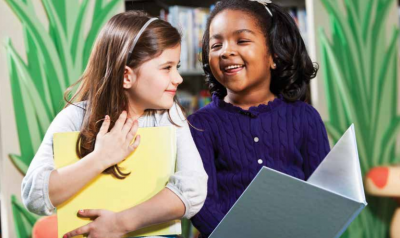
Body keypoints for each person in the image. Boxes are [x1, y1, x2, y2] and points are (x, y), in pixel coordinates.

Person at [22, 11, 208, 238]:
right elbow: (34, 196)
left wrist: (120, 223)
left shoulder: (170, 116)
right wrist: (100, 158)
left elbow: (193, 189)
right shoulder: (74, 118)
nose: (178, 78)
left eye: (176, 66)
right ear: (126, 76)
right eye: (166, 67)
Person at [188, 1, 330, 237]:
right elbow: (201, 204)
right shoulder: (199, 125)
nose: (226, 51)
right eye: (216, 45)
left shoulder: (305, 118)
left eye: (242, 41)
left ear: (274, 56)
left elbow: (323, 194)